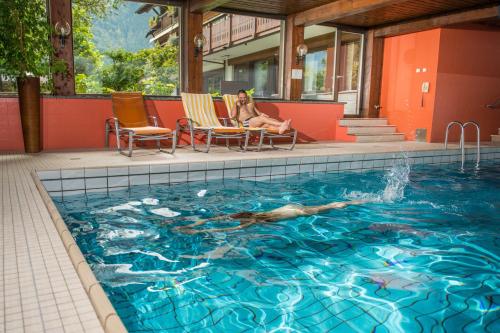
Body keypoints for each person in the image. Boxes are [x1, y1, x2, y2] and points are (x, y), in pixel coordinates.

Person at [174, 199, 367, 234]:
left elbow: (231, 228)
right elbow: (219, 220)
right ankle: (351, 201)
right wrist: (199, 223)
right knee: (329, 205)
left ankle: (356, 202)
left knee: (330, 207)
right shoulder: (252, 215)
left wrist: (196, 228)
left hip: (297, 211)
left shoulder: (254, 219)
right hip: (289, 207)